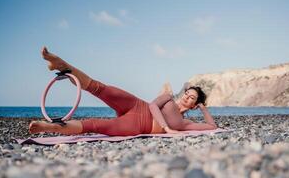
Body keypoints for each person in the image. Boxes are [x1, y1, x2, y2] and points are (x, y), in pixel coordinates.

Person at [29, 47, 217, 136]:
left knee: (94, 125)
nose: (186, 97)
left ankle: (48, 126)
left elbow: (212, 127)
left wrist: (203, 108)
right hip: (137, 104)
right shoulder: (168, 98)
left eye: (192, 98)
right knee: (100, 88)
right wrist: (167, 128)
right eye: (187, 93)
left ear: (194, 104)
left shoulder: (185, 123)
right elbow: (152, 105)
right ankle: (62, 64)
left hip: (136, 125)